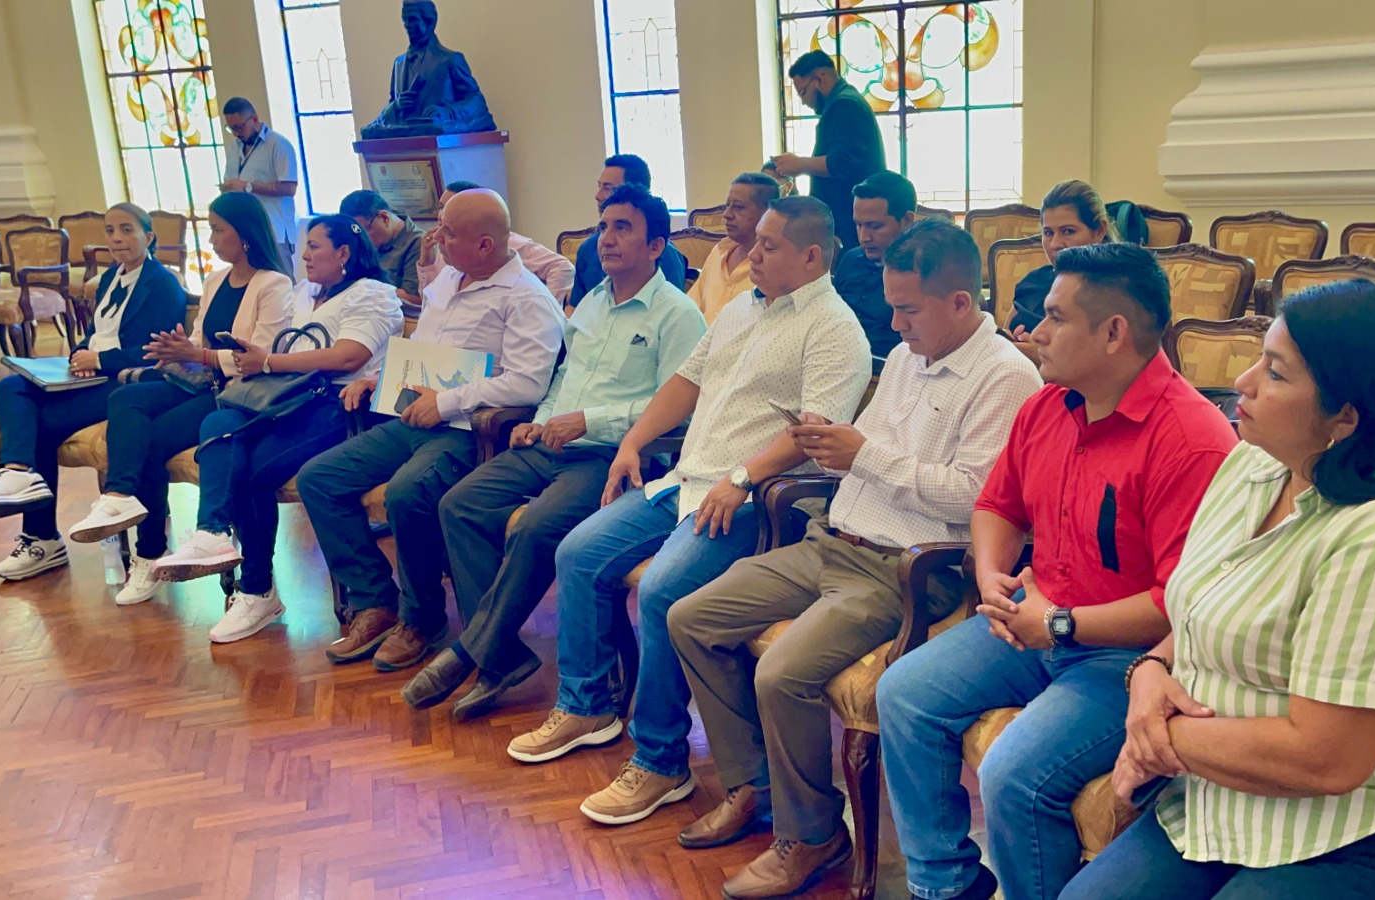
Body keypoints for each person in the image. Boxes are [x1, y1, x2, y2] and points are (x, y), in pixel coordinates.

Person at [1059, 280, 1375, 900]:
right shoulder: (1254, 463)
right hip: (1231, 792)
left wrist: (1161, 738)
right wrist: (1148, 675)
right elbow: (1199, 610)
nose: (1242, 382)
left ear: (1345, 417)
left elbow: (1326, 758)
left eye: (1275, 373)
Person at [667, 219, 1042, 899]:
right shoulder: (904, 356)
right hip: (834, 541)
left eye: (909, 310)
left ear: (961, 302)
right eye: (893, 307)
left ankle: (812, 835)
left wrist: (863, 455)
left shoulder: (1006, 377)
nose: (895, 324)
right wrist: (828, 443)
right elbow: (865, 453)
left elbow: (977, 497)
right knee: (690, 616)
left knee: (782, 672)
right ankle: (754, 788)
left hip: (905, 571)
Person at [875, 242, 1238, 900]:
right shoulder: (1050, 405)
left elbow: (1183, 605)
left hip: (1130, 658)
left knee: (1012, 774)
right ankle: (945, 886)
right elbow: (997, 505)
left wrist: (1061, 624)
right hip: (1036, 621)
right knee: (904, 693)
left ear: (1113, 333)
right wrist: (992, 575)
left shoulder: (1191, 439)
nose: (1033, 332)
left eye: (1054, 317)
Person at [505, 196, 872, 829]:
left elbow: (812, 434)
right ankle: (587, 706)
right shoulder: (741, 308)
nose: (752, 254)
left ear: (811, 256)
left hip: (752, 501)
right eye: (755, 242)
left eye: (769, 246)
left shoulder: (834, 329)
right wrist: (632, 442)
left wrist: (742, 477)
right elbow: (685, 382)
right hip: (686, 481)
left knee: (662, 591)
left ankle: (660, 760)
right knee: (578, 553)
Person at [401, 184, 706, 720]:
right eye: (603, 226)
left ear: (656, 246)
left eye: (623, 228)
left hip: (613, 456)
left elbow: (676, 406)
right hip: (552, 442)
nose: (606, 239)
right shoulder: (592, 302)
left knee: (536, 526)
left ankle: (471, 652)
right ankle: (499, 656)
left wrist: (590, 420)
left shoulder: (677, 315)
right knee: (460, 504)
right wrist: (539, 421)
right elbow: (564, 376)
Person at [299, 190, 564, 672]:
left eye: (449, 232)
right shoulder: (447, 278)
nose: (436, 237)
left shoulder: (527, 298)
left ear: (485, 245)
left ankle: (421, 620)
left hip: (465, 430)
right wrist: (380, 378)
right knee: (319, 478)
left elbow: (527, 383)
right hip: (411, 415)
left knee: (407, 493)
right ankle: (375, 601)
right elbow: (424, 346)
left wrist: (445, 402)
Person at [151, 216, 403, 644]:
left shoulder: (373, 294)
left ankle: (256, 589)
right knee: (218, 421)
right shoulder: (306, 293)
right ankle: (212, 532)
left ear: (344, 253)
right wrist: (255, 358)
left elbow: (347, 356)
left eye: (315, 247)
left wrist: (267, 362)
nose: (304, 256)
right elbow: (285, 348)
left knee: (253, 470)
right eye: (305, 247)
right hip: (288, 395)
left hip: (337, 405)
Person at [63, 192, 293, 605]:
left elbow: (259, 357)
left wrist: (197, 354)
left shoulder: (274, 284)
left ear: (244, 235)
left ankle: (151, 551)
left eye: (218, 230)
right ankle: (119, 499)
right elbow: (199, 339)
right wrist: (176, 349)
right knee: (127, 399)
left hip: (239, 393)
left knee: (150, 441)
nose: (212, 240)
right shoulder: (215, 280)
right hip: (201, 381)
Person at [0, 204, 187, 581]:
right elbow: (94, 335)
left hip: (123, 382)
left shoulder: (162, 283)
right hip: (91, 375)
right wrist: (78, 356)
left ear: (148, 237)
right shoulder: (110, 278)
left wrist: (98, 360)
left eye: (127, 230)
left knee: (40, 423)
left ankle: (42, 540)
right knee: (12, 385)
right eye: (110, 230)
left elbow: (154, 352)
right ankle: (16, 472)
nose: (116, 238)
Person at [771, 50, 885, 252]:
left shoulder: (845, 105)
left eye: (803, 92)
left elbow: (840, 164)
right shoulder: (842, 102)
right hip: (845, 216)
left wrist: (799, 164)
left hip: (847, 219)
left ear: (819, 79)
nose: (804, 102)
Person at [360, 0, 496, 139]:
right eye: (404, 20)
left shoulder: (450, 60)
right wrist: (396, 106)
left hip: (440, 142)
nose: (407, 25)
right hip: (405, 142)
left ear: (430, 22)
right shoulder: (398, 64)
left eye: (412, 19)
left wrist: (446, 112)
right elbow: (392, 103)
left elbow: (477, 102)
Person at [424, 181, 574, 301]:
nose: (442, 215)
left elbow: (562, 267)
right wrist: (426, 263)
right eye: (441, 207)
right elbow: (429, 299)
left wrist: (548, 305)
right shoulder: (442, 243)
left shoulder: (505, 243)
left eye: (450, 208)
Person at [569, 155, 687, 305]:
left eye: (608, 188)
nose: (598, 196)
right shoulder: (588, 248)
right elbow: (574, 308)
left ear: (634, 191)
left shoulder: (662, 253)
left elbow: (671, 305)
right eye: (599, 186)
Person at [1009, 179, 1119, 337]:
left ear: (1099, 231)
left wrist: (1041, 351)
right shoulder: (1033, 283)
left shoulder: (1118, 291)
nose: (1055, 244)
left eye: (1068, 231)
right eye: (1048, 233)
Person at [832, 170, 916, 356]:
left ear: (906, 221)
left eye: (875, 226)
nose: (864, 237)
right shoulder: (851, 260)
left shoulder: (923, 272)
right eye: (858, 225)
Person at [686, 172, 777, 323]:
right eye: (727, 206)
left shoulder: (775, 265)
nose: (727, 214)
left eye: (739, 207)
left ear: (767, 213)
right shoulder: (719, 251)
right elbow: (691, 309)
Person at [221, 96, 299, 271]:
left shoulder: (278, 144)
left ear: (254, 119)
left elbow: (289, 188)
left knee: (282, 281)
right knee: (255, 283)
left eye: (239, 127)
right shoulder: (234, 146)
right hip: (247, 231)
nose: (235, 133)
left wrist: (248, 186)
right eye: (231, 128)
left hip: (274, 231)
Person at [340, 190, 427, 304]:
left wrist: (363, 291)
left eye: (364, 232)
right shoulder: (366, 240)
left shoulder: (419, 243)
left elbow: (415, 298)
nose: (361, 239)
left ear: (384, 218)